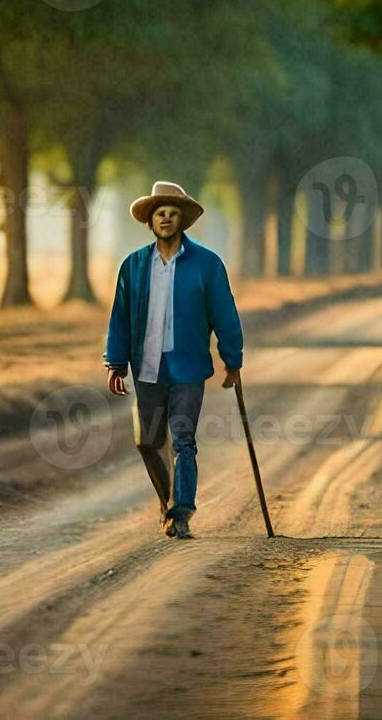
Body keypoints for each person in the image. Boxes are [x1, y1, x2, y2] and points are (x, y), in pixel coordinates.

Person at [104, 181, 244, 539]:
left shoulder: (207, 265)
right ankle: (167, 500)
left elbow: (224, 314)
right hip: (146, 367)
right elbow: (120, 316)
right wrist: (116, 362)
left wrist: (233, 360)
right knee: (147, 441)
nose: (165, 218)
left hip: (187, 367)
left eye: (172, 212)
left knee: (183, 440)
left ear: (182, 219)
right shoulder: (133, 266)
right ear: (150, 221)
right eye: (159, 213)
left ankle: (182, 511)